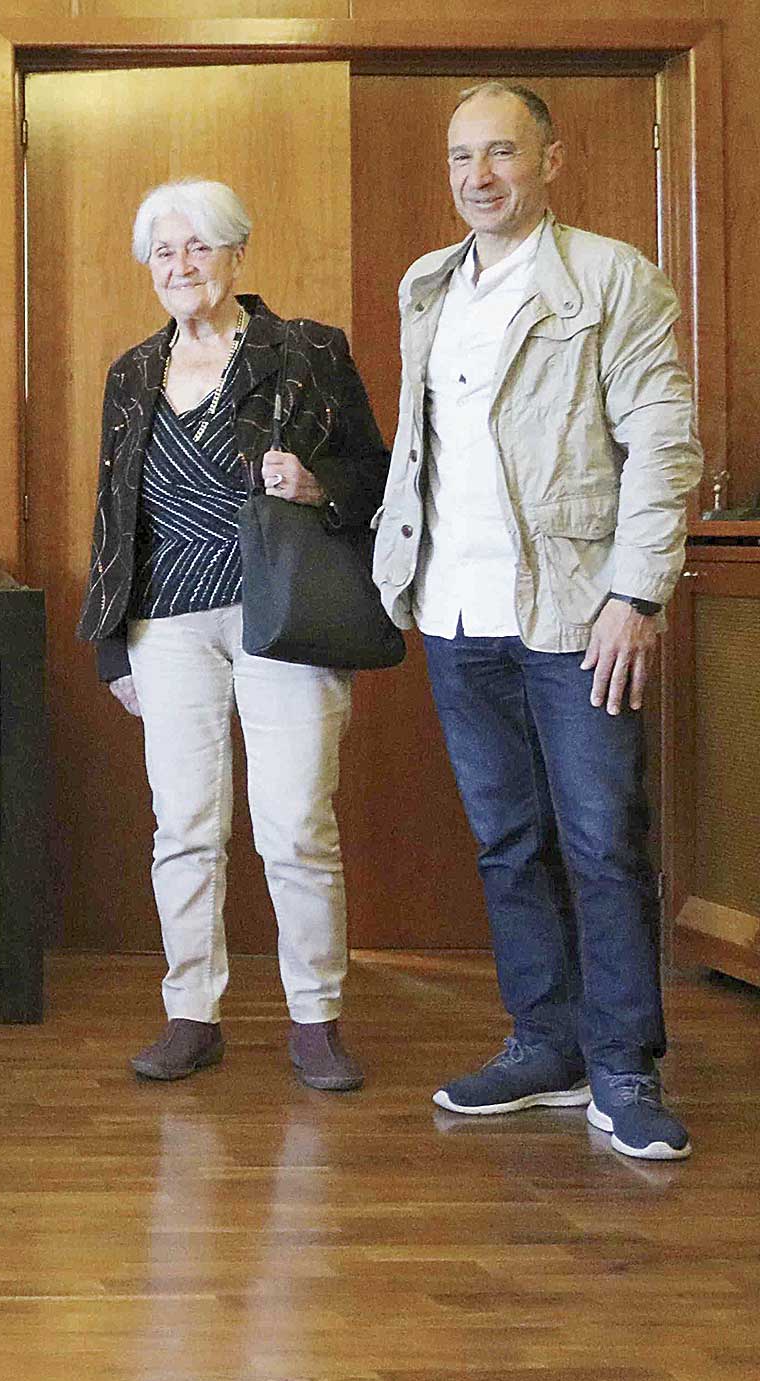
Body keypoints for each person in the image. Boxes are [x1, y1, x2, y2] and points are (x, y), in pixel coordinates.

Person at [373, 83, 703, 1159]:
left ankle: (620, 1068)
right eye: (461, 157)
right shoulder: (425, 285)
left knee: (601, 840)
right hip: (454, 607)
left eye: (500, 154)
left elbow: (660, 445)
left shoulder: (611, 279)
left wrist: (634, 593)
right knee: (506, 842)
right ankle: (543, 1044)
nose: (477, 177)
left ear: (549, 163)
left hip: (575, 608)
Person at [75, 179, 390, 1091]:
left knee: (294, 824)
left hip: (282, 614)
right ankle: (192, 1012)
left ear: (236, 253)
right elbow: (114, 511)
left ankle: (316, 1018)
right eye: (163, 254)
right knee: (184, 826)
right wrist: (108, 644)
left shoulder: (307, 353)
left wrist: (318, 484)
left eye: (197, 248)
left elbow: (377, 471)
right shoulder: (133, 372)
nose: (180, 267)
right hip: (163, 620)